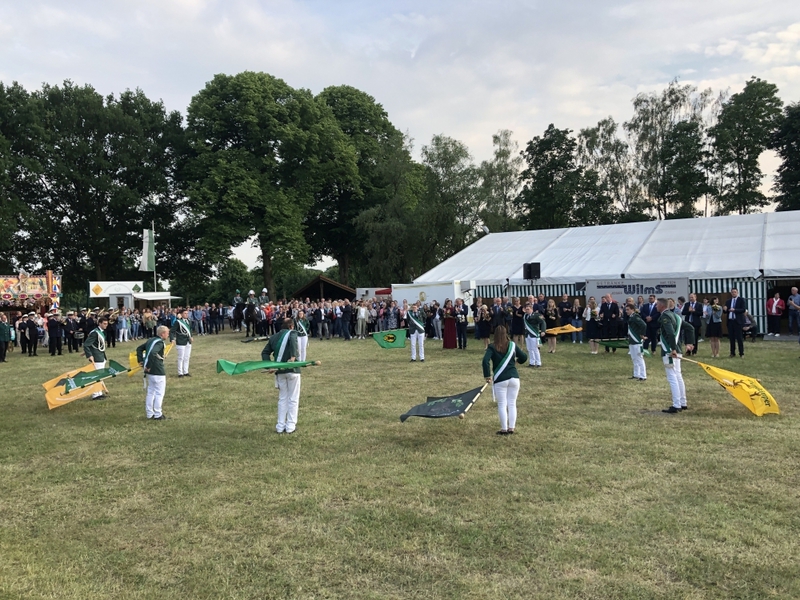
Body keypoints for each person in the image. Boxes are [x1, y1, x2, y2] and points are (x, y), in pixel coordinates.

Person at [482, 325, 528, 435]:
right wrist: (517, 362)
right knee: (512, 403)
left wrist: (487, 375)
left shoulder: (492, 347)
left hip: (501, 379)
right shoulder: (512, 345)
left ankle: (504, 429)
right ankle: (511, 428)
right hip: (514, 378)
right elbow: (524, 357)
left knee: (502, 404)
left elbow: (485, 361)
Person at [262, 318, 301, 434]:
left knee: (282, 398)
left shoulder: (274, 337)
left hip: (279, 372)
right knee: (293, 398)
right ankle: (290, 426)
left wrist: (269, 366)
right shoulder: (292, 333)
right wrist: (293, 356)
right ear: (291, 327)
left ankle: (280, 426)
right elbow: (293, 339)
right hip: (293, 370)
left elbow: (265, 352)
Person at [657, 298, 695, 413]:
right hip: (677, 349)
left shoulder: (665, 316)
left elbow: (670, 333)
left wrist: (672, 348)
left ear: (662, 306)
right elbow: (690, 328)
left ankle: (676, 404)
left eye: (657, 304)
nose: (656, 306)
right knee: (678, 376)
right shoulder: (676, 316)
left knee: (672, 377)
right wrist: (690, 342)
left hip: (670, 350)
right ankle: (683, 402)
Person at [137, 325, 170, 420]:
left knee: (151, 392)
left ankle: (149, 413)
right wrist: (148, 366)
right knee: (159, 393)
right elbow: (152, 353)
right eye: (167, 333)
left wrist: (140, 360)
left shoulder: (151, 340)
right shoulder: (160, 343)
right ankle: (158, 414)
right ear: (162, 334)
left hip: (150, 372)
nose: (168, 335)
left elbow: (139, 348)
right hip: (157, 370)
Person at [84, 316, 110, 399]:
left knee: (100, 375)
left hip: (101, 355)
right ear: (99, 323)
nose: (106, 325)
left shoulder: (101, 332)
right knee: (97, 376)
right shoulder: (95, 333)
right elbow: (86, 344)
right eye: (104, 324)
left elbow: (94, 344)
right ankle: (95, 394)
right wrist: (89, 355)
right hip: (97, 356)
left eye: (107, 324)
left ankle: (99, 393)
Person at [625, 303, 647, 381]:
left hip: (637, 340)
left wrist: (641, 334)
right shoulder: (631, 317)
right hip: (632, 340)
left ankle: (643, 376)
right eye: (626, 310)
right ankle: (636, 374)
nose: (626, 311)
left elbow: (643, 325)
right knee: (634, 358)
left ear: (632, 310)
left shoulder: (635, 317)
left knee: (639, 358)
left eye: (628, 310)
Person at [169, 308, 194, 377]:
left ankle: (186, 371)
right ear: (181, 314)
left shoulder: (189, 321)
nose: (186, 315)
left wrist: (191, 336)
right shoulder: (178, 322)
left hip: (188, 341)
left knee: (187, 357)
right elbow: (172, 331)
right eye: (185, 313)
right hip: (180, 341)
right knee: (181, 357)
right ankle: (180, 373)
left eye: (187, 313)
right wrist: (172, 339)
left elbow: (190, 330)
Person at [723, 288, 747, 357]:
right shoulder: (728, 301)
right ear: (731, 293)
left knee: (739, 338)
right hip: (730, 321)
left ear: (737, 292)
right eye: (732, 292)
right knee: (731, 338)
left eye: (735, 292)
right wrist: (725, 309)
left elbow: (743, 309)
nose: (733, 293)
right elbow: (725, 311)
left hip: (737, 321)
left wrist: (735, 310)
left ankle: (741, 353)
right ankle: (732, 353)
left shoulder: (741, 300)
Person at [523, 302, 546, 367]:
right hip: (527, 334)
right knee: (529, 349)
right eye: (526, 309)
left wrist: (543, 331)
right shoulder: (525, 316)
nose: (527, 311)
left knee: (535, 349)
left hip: (534, 334)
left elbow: (543, 322)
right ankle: (532, 362)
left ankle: (538, 363)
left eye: (528, 309)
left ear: (531, 309)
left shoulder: (536, 315)